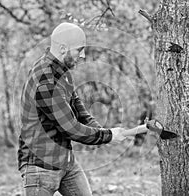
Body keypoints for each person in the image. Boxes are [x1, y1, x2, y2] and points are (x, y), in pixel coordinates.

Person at [17, 22, 128, 196]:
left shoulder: (63, 73)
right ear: (63, 48)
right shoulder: (45, 79)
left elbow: (79, 110)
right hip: (40, 167)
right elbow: (70, 128)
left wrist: (103, 131)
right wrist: (108, 136)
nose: (83, 55)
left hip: (66, 162)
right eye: (79, 49)